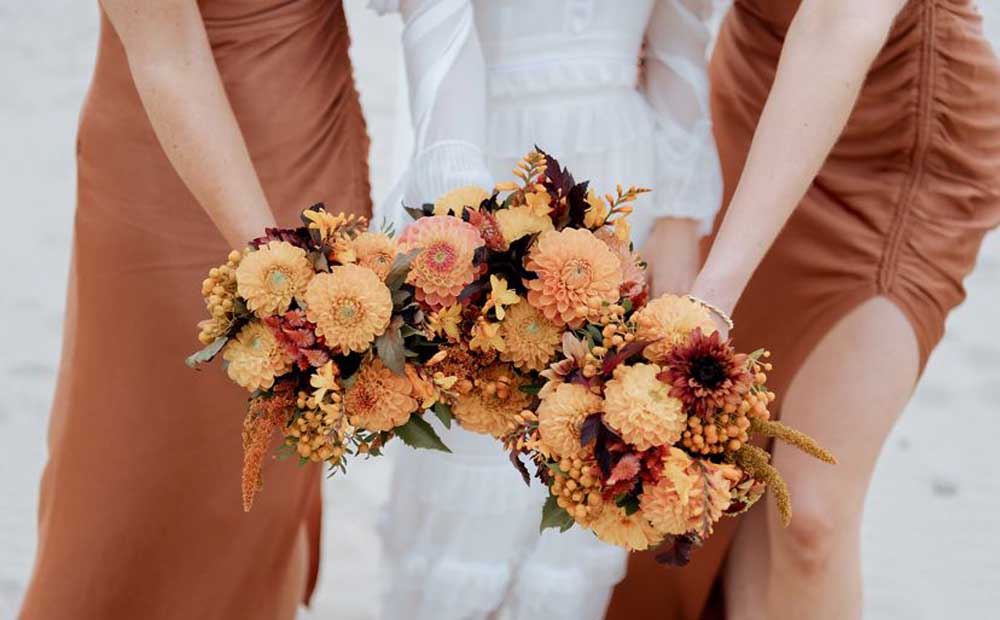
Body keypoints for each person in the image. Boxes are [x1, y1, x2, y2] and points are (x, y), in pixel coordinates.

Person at [609, 0, 1000, 619]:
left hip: (899, 134)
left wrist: (714, 293)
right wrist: (676, 210)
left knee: (810, 516)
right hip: (752, 101)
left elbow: (838, 22)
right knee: (720, 474)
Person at [368, 1, 725, 618]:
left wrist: (678, 218)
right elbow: (436, 27)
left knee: (590, 458)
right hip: (487, 156)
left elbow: (680, 38)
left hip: (625, 178)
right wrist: (462, 211)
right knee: (474, 459)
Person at [19, 1, 370, 619]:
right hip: (178, 171)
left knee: (264, 495)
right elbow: (167, 57)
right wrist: (276, 274)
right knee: (139, 478)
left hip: (316, 150)